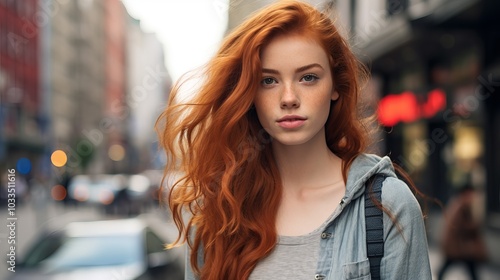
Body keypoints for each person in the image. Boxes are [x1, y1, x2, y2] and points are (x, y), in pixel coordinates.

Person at [156, 1, 431, 279]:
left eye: (308, 77)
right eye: (268, 81)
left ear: (336, 85)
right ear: (249, 93)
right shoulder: (219, 215)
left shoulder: (388, 208)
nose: (289, 98)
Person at [438, 185, 488, 280]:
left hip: (457, 245)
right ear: (465, 194)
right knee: (469, 266)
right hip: (459, 246)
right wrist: (475, 226)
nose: (472, 198)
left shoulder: (458, 204)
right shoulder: (461, 207)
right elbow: (461, 227)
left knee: (468, 266)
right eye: (470, 195)